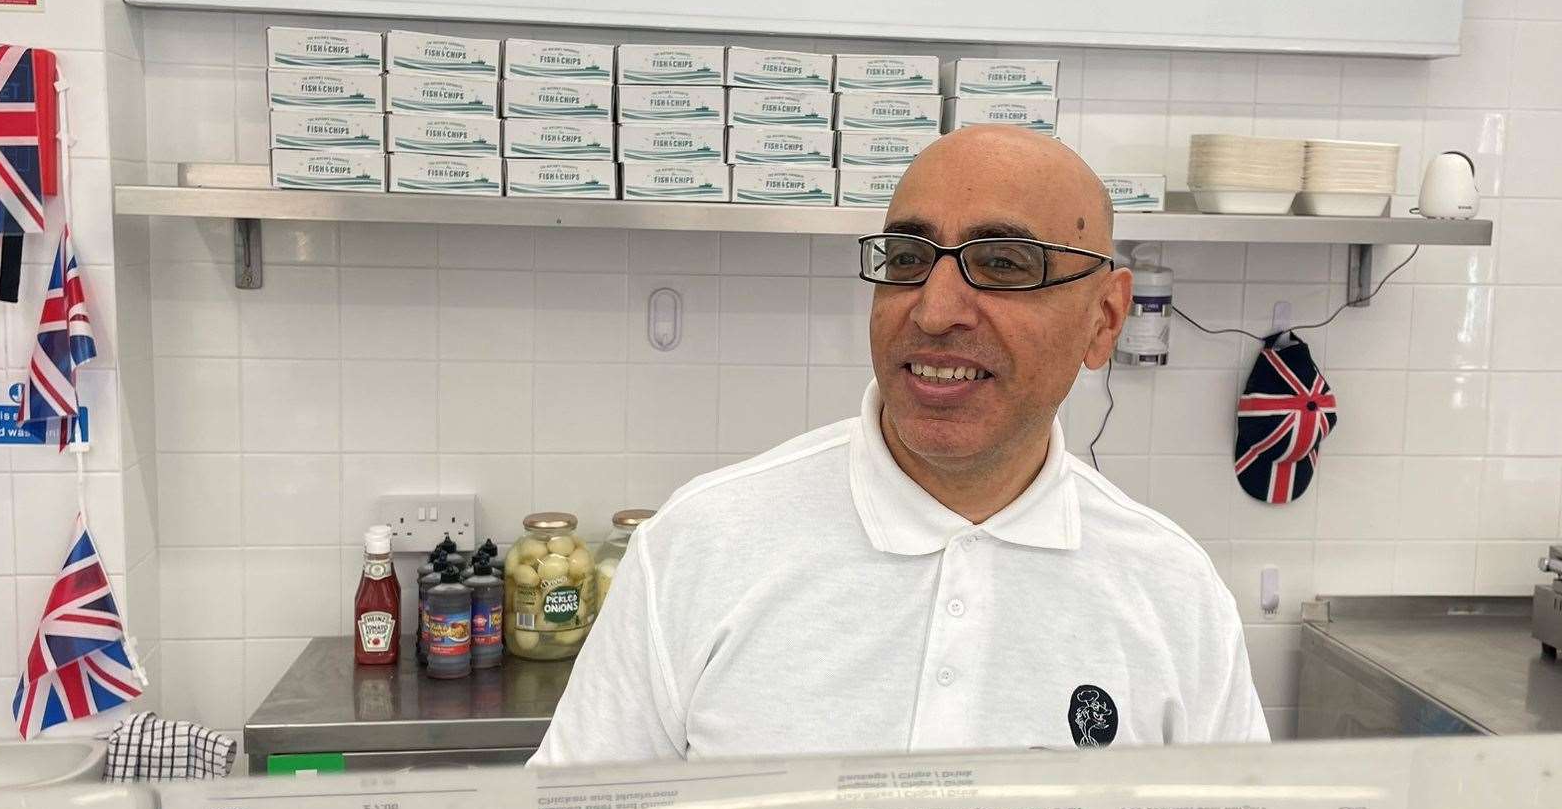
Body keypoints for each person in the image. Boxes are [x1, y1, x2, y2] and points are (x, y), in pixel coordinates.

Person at [533, 126, 1268, 764]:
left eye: (1005, 263)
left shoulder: (1173, 593)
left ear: (1105, 321)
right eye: (908, 259)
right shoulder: (700, 545)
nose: (936, 309)